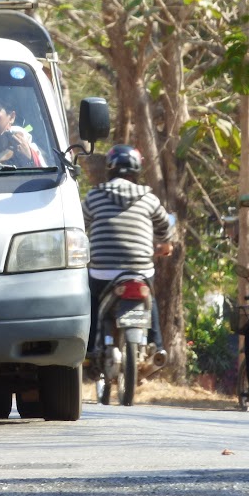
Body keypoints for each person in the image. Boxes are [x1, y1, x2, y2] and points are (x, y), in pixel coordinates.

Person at [83, 144, 174, 361]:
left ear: (110, 169)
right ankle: (157, 345)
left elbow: (79, 224)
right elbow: (164, 226)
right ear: (137, 171)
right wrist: (165, 245)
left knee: (92, 299)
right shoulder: (149, 198)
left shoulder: (95, 196)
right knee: (148, 297)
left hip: (102, 272)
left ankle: (88, 349)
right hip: (139, 270)